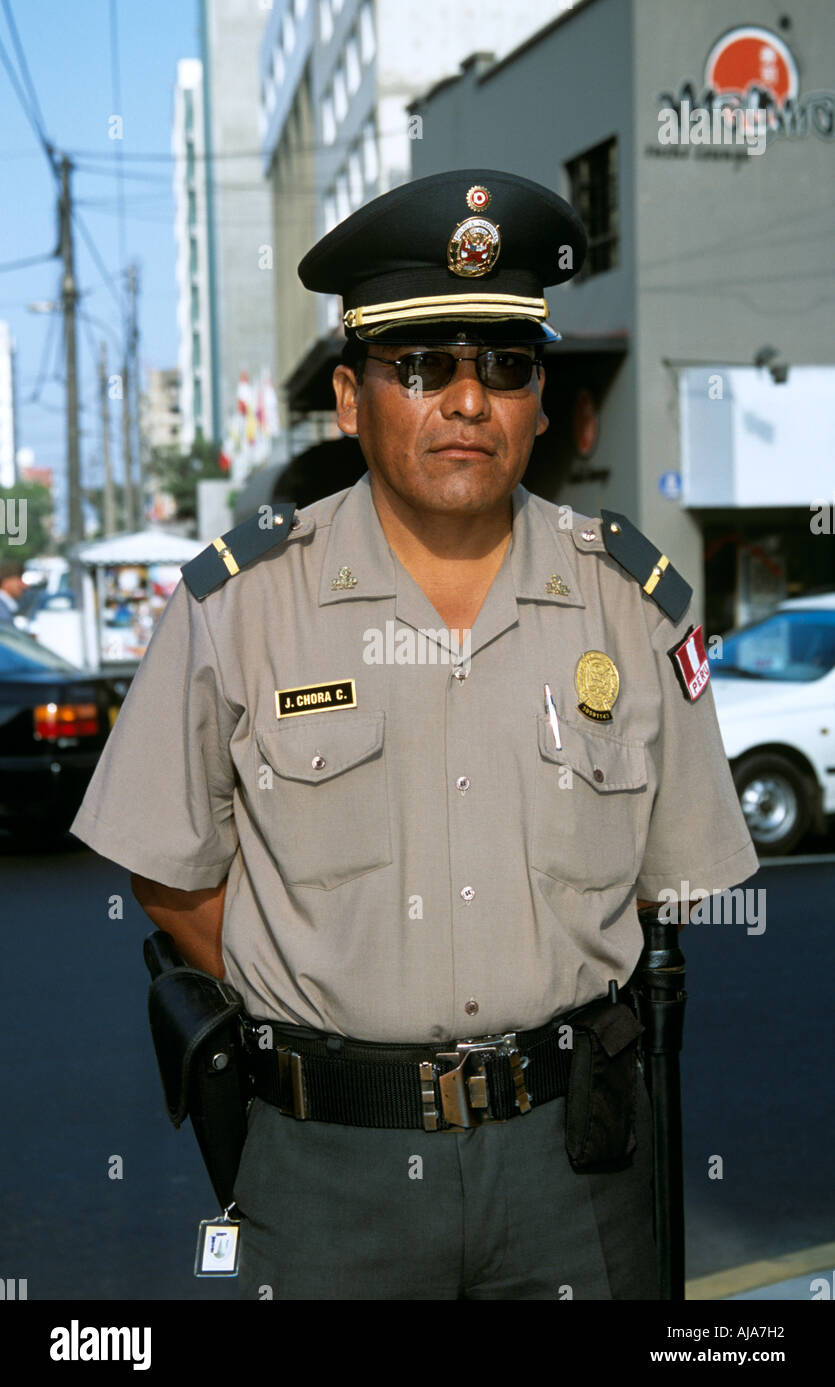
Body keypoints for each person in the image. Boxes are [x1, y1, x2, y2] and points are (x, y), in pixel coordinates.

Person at [70, 168, 759, 1301]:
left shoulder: (634, 602)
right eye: (423, 365)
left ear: (540, 398)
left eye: (504, 365)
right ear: (351, 398)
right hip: (324, 1169)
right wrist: (335, 1009)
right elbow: (173, 876)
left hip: (572, 1167)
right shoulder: (237, 603)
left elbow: (662, 888)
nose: (468, 400)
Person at [0, 559, 26, 626]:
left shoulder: (6, 606)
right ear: (6, 580)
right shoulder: (2, 611)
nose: (25, 585)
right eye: (19, 579)